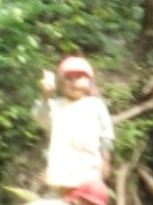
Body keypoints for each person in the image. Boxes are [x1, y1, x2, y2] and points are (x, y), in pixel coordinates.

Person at [33, 55, 114, 196]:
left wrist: (106, 162)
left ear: (89, 81)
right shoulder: (55, 105)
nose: (74, 83)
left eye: (79, 78)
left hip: (89, 171)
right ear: (61, 83)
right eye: (69, 79)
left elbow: (106, 136)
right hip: (62, 173)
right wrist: (46, 97)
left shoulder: (96, 105)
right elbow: (42, 119)